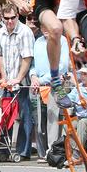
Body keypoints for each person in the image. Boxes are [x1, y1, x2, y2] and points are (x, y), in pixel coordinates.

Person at [0, 3, 35, 159]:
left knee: (25, 115)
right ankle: (4, 150)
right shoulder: (1, 32)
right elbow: (1, 56)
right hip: (8, 80)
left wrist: (18, 78)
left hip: (22, 80)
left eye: (13, 18)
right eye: (6, 19)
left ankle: (23, 151)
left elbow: (27, 58)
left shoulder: (25, 32)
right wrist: (4, 77)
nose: (10, 21)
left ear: (17, 16)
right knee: (6, 115)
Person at [29, 22, 70, 161]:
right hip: (39, 85)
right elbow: (33, 65)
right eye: (43, 26)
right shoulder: (38, 42)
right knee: (40, 121)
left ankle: (53, 151)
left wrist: (41, 80)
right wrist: (33, 76)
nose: (45, 29)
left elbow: (62, 66)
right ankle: (44, 151)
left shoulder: (62, 40)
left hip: (56, 84)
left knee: (54, 119)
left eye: (48, 26)